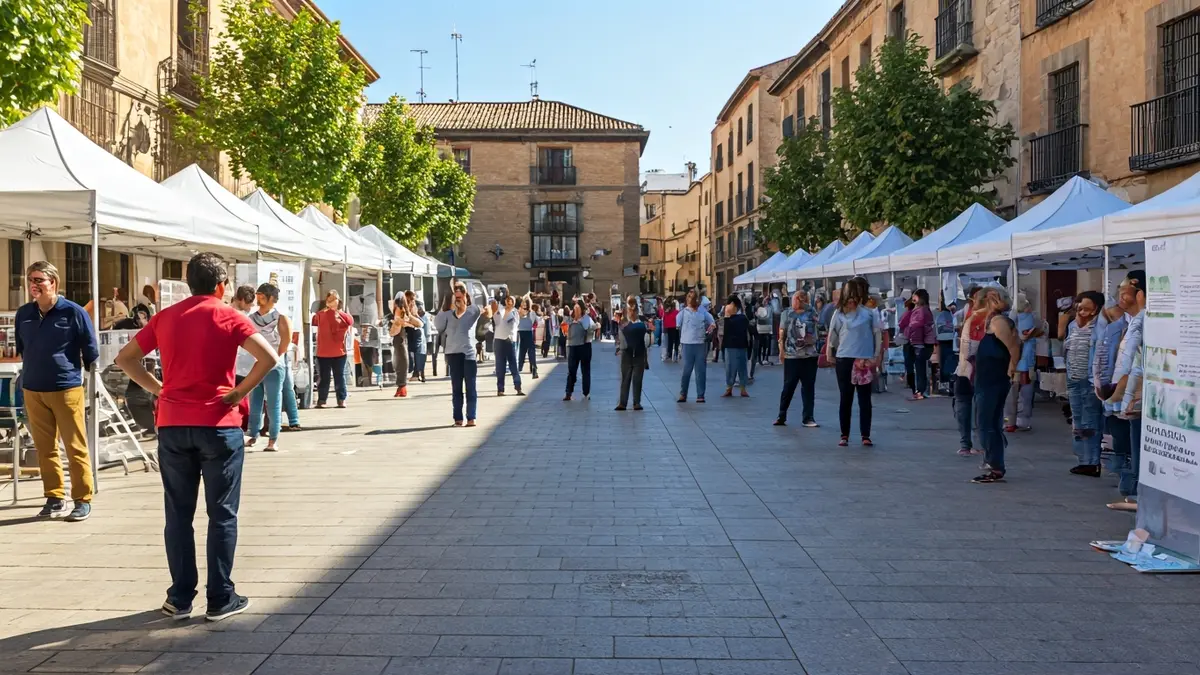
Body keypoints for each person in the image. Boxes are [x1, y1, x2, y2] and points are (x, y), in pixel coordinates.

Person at [115, 252, 279, 622]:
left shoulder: (166, 317)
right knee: (221, 513)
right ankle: (220, 597)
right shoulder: (228, 315)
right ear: (221, 285)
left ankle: (180, 597)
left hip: (173, 423)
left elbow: (126, 358)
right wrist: (239, 392)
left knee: (178, 514)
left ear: (189, 283)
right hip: (219, 424)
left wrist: (160, 389)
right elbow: (268, 357)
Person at [17, 261, 99, 522]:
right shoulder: (24, 314)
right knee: (45, 448)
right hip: (33, 389)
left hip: (66, 388)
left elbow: (90, 348)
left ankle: (82, 499)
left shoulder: (73, 312)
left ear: (53, 282)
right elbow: (23, 347)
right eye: (31, 279)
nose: (34, 284)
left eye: (39, 279)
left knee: (75, 447)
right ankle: (54, 497)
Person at [970, 286, 1021, 484]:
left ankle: (995, 464)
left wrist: (1012, 369)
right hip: (988, 378)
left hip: (994, 379)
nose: (974, 305)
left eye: (977, 301)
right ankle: (993, 462)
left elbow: (1014, 347)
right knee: (987, 422)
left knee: (987, 423)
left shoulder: (999, 322)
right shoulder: (991, 321)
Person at [826, 277, 882, 447]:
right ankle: (845, 434)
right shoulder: (839, 314)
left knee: (865, 399)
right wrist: (829, 351)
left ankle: (866, 434)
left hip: (863, 359)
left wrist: (876, 355)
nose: (851, 300)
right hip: (845, 358)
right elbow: (832, 334)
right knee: (846, 397)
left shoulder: (869, 313)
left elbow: (877, 334)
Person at [1106, 272, 1146, 511]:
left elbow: (1135, 362)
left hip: (1138, 392)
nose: (1120, 293)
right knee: (1130, 435)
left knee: (1138, 439)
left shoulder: (1142, 320)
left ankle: (1136, 487)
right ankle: (1131, 483)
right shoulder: (1127, 322)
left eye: (1125, 288)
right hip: (1126, 391)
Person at [1061, 290, 1105, 477]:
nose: (1082, 312)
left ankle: (1092, 462)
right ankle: (1082, 459)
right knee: (1077, 420)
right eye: (1079, 307)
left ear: (1096, 309)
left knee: (1090, 421)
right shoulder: (1072, 326)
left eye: (1087, 308)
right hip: (1073, 378)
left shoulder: (1101, 327)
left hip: (1089, 381)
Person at [245, 283, 291, 452]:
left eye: (263, 295)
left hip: (274, 365)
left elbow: (285, 341)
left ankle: (273, 438)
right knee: (255, 401)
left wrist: (276, 358)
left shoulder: (280, 317)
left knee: (273, 402)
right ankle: (253, 434)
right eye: (258, 295)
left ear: (272, 298)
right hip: (256, 364)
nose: (259, 299)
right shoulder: (251, 317)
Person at [434, 283, 482, 426]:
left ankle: (471, 417)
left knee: (470, 387)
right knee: (456, 388)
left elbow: (482, 312)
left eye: (461, 297)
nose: (458, 300)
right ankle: (458, 418)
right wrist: (446, 308)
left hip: (468, 354)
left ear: (466, 297)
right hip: (453, 354)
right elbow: (438, 327)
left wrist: (463, 307)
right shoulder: (446, 314)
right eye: (456, 297)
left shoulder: (472, 311)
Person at [776, 290, 820, 427]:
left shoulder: (812, 313)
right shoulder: (787, 313)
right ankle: (781, 415)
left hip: (809, 355)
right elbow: (781, 333)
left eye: (801, 299)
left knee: (808, 387)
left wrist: (810, 340)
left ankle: (808, 417)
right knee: (788, 387)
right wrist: (781, 351)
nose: (798, 301)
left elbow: (816, 332)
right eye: (796, 299)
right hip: (792, 355)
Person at [954, 285, 986, 456]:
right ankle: (966, 443)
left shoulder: (990, 317)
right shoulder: (971, 314)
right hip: (966, 367)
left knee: (977, 406)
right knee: (964, 404)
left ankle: (977, 443)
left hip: (979, 366)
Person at [1005, 294, 1041, 432]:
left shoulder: (1010, 319)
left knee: (1011, 394)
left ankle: (1009, 421)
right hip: (1026, 363)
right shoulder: (1031, 318)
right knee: (1025, 394)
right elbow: (1029, 335)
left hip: (1012, 362)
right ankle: (1023, 421)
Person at [312, 290, 353, 408]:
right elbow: (314, 321)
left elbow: (350, 321)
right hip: (323, 352)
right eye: (329, 299)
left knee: (339, 377)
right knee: (324, 378)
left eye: (334, 299)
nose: (332, 302)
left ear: (338, 300)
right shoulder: (320, 314)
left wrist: (337, 312)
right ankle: (322, 400)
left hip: (339, 352)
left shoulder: (342, 314)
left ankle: (341, 400)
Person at [677, 289, 716, 403]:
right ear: (688, 300)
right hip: (687, 343)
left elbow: (712, 322)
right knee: (686, 370)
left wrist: (711, 327)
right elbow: (677, 324)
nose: (692, 302)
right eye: (690, 299)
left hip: (700, 343)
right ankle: (683, 394)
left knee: (700, 370)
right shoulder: (683, 312)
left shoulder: (702, 311)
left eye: (694, 299)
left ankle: (700, 395)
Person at [899, 289, 936, 401]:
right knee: (918, 367)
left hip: (919, 342)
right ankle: (919, 390)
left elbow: (915, 324)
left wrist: (909, 329)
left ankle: (919, 391)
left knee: (918, 367)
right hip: (918, 342)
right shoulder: (921, 310)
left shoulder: (921, 311)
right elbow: (903, 322)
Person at [616, 296, 648, 411]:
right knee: (634, 379)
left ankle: (624, 403)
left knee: (628, 379)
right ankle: (635, 403)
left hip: (630, 354)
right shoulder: (640, 323)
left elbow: (621, 341)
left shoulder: (626, 324)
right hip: (636, 353)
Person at [389, 299, 422, 398]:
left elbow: (420, 324)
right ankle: (401, 386)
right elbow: (392, 332)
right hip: (396, 342)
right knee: (398, 363)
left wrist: (405, 319)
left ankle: (402, 386)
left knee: (401, 362)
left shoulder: (404, 315)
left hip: (400, 342)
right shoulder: (393, 315)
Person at [721, 295, 752, 398]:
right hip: (740, 345)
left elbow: (726, 332)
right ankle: (738, 388)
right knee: (740, 367)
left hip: (733, 345)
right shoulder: (742, 318)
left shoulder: (737, 318)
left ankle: (732, 388)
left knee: (732, 367)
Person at [563, 300, 594, 401]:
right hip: (573, 346)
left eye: (577, 308)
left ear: (582, 309)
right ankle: (568, 392)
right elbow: (564, 329)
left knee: (585, 370)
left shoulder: (586, 319)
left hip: (584, 347)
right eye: (574, 308)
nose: (575, 310)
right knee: (571, 370)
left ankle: (586, 392)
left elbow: (591, 329)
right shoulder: (570, 320)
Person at [493, 295, 524, 396]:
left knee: (513, 365)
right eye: (508, 300)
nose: (509, 302)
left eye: (511, 300)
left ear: (514, 302)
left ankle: (518, 387)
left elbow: (513, 325)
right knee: (500, 365)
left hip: (509, 340)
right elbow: (496, 321)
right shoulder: (500, 310)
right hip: (499, 339)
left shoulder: (515, 312)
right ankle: (500, 389)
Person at [413, 300, 431, 383]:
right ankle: (417, 373)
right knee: (416, 358)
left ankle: (422, 374)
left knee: (421, 357)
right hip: (414, 340)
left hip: (422, 341)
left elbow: (427, 331)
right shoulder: (413, 316)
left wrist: (428, 342)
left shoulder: (425, 317)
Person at [754, 297, 774, 367]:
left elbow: (767, 317)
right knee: (762, 344)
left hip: (766, 328)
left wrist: (758, 316)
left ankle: (764, 359)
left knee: (765, 344)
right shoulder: (763, 308)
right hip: (762, 328)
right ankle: (760, 359)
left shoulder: (768, 308)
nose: (764, 302)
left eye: (765, 301)